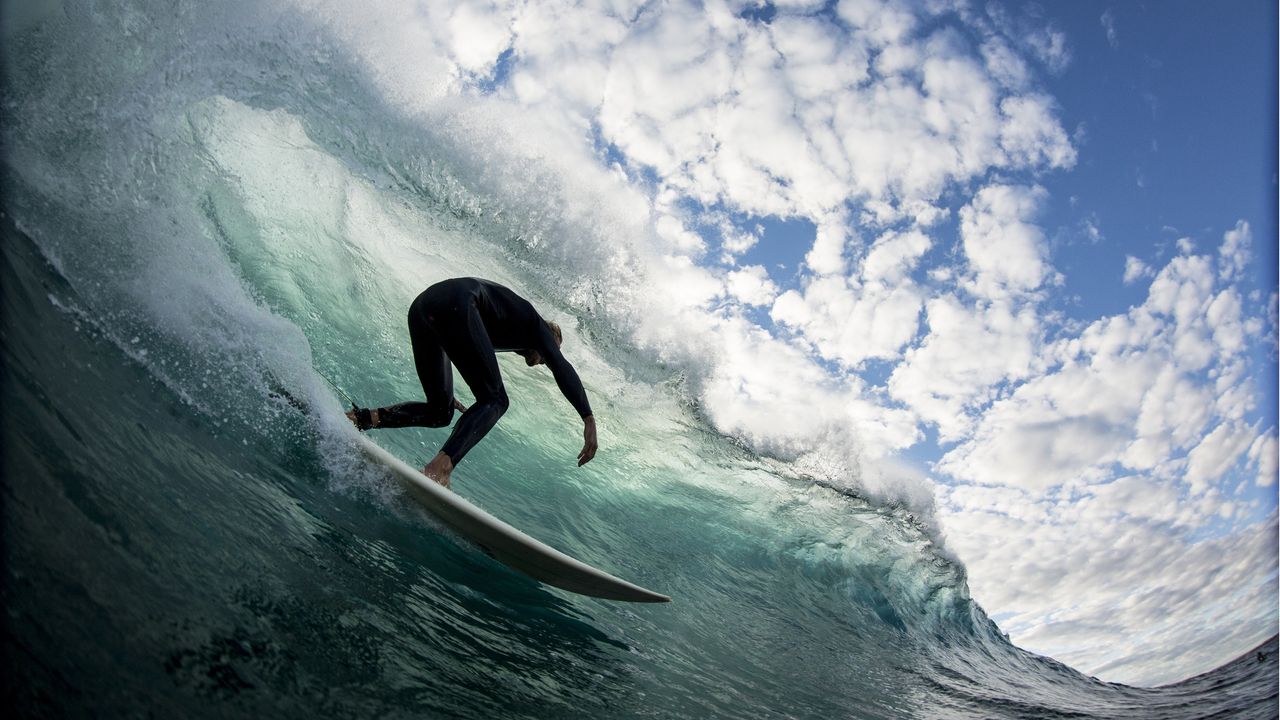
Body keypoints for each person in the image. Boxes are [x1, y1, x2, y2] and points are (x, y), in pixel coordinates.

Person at [346, 277, 597, 489]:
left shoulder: (507, 324)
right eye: (549, 353)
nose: (545, 361)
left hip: (425, 306)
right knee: (497, 400)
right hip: (459, 304)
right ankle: (440, 468)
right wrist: (588, 418)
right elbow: (563, 368)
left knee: (440, 412)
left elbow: (458, 342)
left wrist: (443, 389)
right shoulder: (537, 326)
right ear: (550, 339)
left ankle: (360, 419)